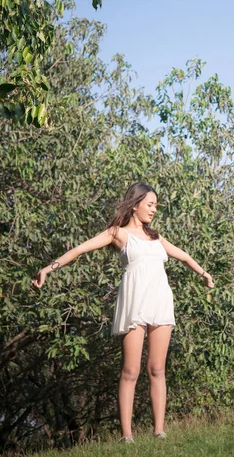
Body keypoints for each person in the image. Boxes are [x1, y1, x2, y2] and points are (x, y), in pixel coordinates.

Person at [32, 181, 215, 443]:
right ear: (136, 204)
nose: (154, 209)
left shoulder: (156, 238)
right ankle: (127, 436)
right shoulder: (118, 233)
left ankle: (159, 432)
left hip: (161, 301)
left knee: (157, 369)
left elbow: (183, 256)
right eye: (150, 204)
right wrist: (49, 269)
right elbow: (81, 248)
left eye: (156, 205)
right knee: (130, 371)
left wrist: (204, 274)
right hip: (134, 304)